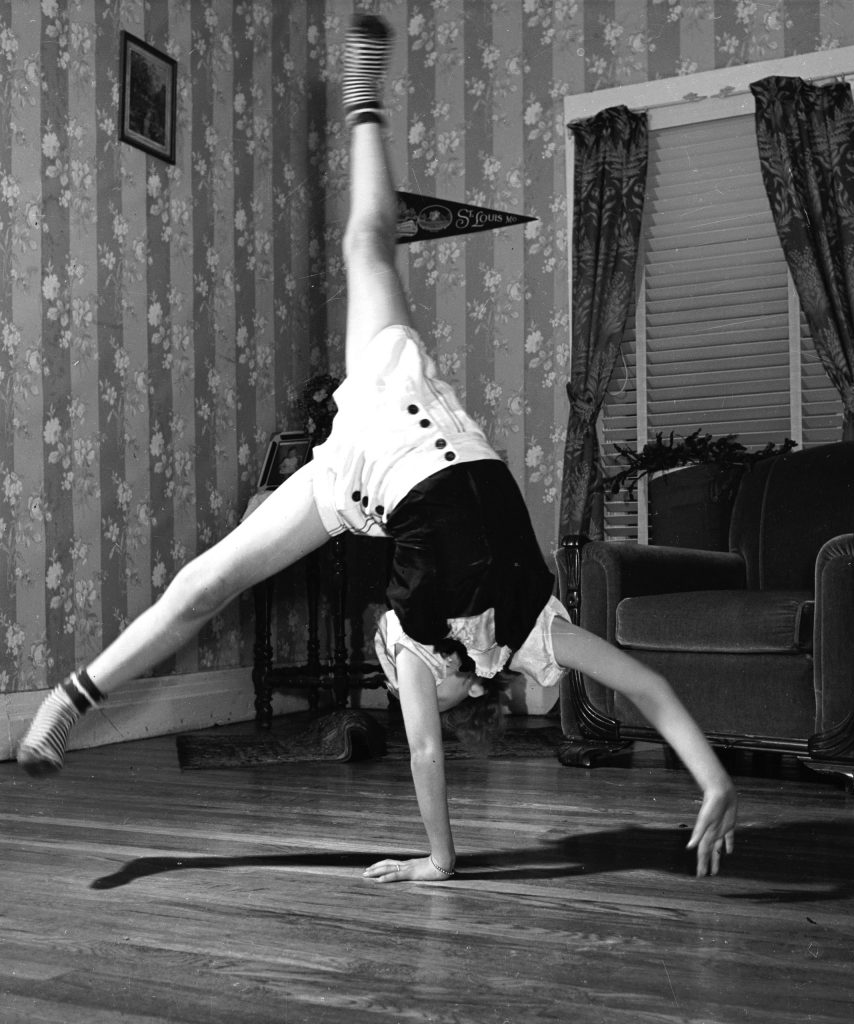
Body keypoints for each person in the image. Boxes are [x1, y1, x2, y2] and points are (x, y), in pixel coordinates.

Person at [17, 14, 736, 881]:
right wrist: (437, 858)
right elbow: (427, 757)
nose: (394, 683)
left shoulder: (536, 627)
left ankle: (366, 106)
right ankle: (72, 698)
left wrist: (715, 780)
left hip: (450, 446)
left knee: (365, 244)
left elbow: (648, 687)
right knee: (206, 584)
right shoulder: (426, 644)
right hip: (385, 452)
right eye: (401, 687)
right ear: (452, 687)